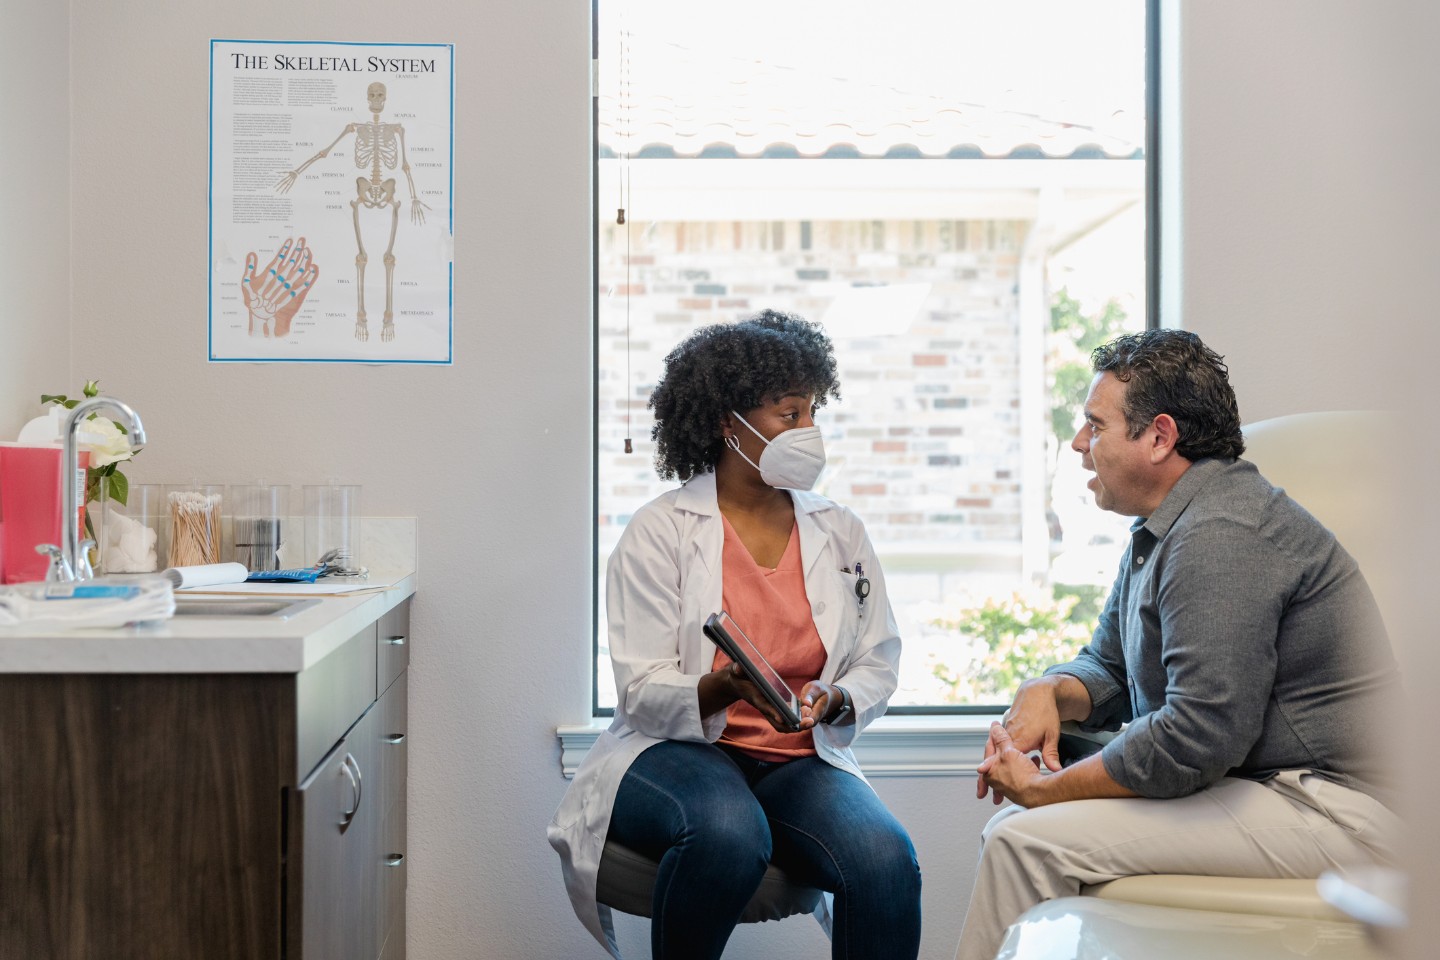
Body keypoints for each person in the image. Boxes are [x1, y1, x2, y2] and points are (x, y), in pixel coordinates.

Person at [954, 329, 1402, 960]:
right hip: (1264, 786)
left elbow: (1200, 735)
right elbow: (1106, 664)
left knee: (1023, 840)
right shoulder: (1167, 526)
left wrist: (1047, 788)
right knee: (1017, 829)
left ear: (1159, 437)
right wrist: (1048, 690)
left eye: (1094, 425)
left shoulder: (1219, 533)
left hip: (1336, 810)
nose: (1081, 445)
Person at [549, 310, 922, 959]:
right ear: (730, 424)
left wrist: (836, 700)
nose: (810, 432)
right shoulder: (662, 531)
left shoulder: (840, 531)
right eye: (790, 414)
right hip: (678, 751)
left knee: (886, 860)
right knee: (727, 834)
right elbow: (640, 690)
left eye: (812, 412)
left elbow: (877, 657)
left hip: (796, 757)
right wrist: (723, 686)